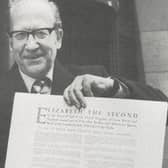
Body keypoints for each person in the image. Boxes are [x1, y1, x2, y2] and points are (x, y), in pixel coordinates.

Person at [0, 0, 167, 166]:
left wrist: (115, 89)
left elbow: (162, 111)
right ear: (11, 43)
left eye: (41, 33)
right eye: (20, 34)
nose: (31, 45)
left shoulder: (94, 80)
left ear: (58, 37)